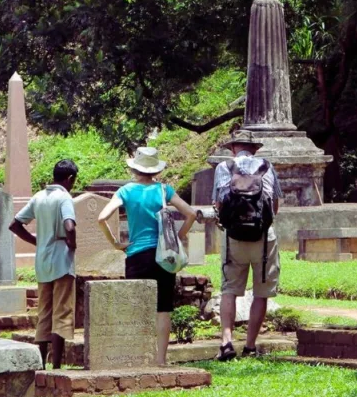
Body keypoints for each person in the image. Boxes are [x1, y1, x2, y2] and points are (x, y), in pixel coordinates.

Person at [97, 146, 197, 366]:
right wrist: (177, 237)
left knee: (136, 307)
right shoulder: (164, 190)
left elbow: (102, 217)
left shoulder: (125, 191)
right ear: (156, 169)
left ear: (135, 168)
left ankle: (137, 358)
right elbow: (191, 213)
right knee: (163, 308)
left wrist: (115, 242)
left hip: (136, 255)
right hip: (163, 256)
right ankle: (160, 360)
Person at [213, 131, 281, 361]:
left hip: (234, 239)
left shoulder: (224, 167)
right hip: (263, 239)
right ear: (255, 149)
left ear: (233, 148)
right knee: (261, 292)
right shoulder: (267, 166)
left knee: (229, 289)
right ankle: (250, 345)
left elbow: (219, 202)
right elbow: (275, 204)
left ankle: (226, 342)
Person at [8, 159, 78, 370]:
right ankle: (56, 364)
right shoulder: (64, 197)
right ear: (70, 179)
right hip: (61, 261)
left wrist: (36, 241)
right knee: (62, 311)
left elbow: (15, 224)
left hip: (43, 260)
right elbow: (70, 226)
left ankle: (39, 363)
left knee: (44, 311)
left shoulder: (39, 196)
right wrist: (71, 243)